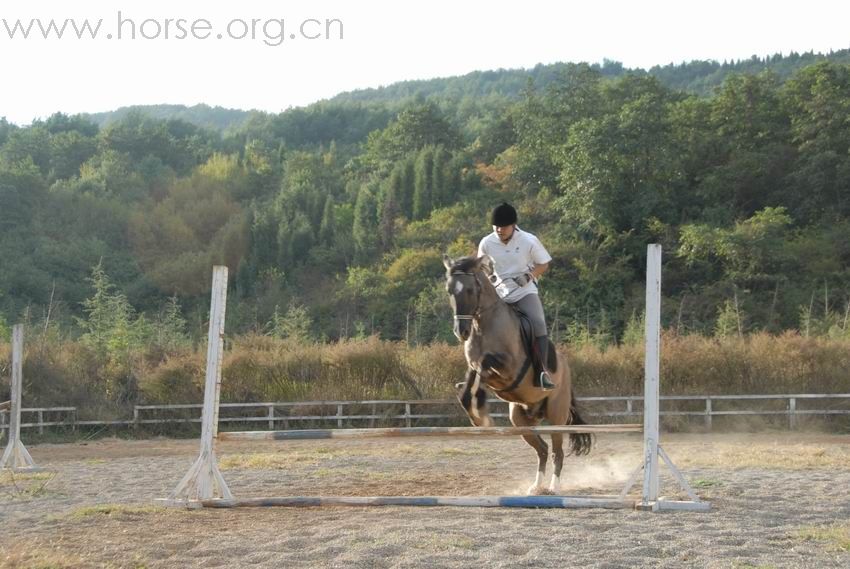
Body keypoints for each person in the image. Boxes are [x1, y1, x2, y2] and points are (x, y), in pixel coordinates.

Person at [477, 202, 556, 390]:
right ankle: (475, 369)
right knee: (476, 320)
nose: (499, 230)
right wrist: (490, 274)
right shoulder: (487, 242)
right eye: (496, 226)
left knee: (538, 322)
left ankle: (542, 371)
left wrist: (529, 276)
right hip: (499, 292)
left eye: (503, 227)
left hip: (524, 291)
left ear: (513, 225)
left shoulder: (529, 240)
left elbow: (543, 264)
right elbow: (482, 264)